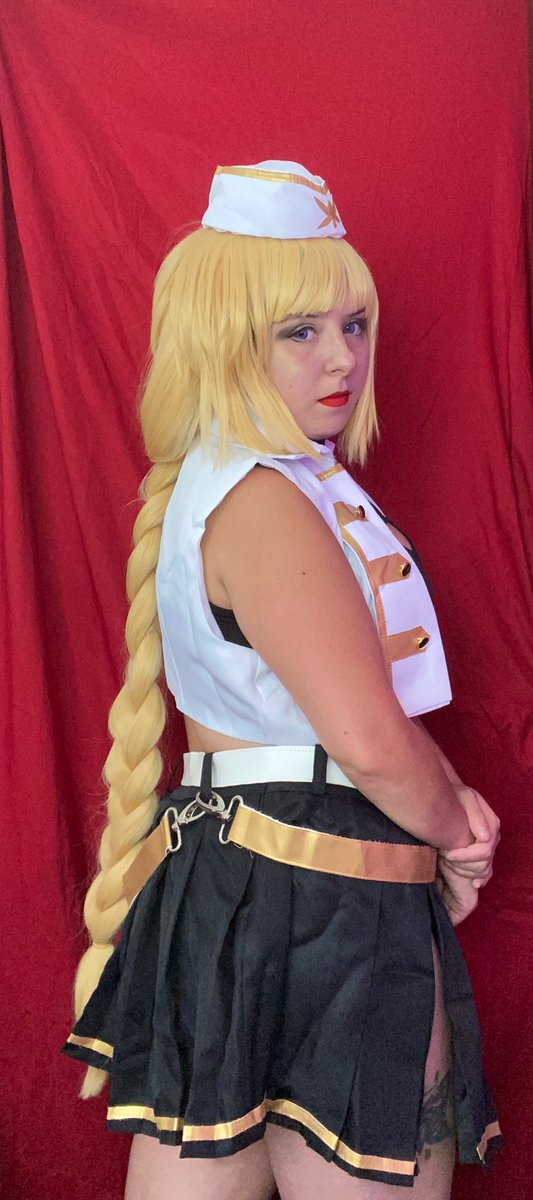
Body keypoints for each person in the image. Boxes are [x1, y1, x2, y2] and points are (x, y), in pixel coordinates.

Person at [63, 161, 502, 1199]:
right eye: (298, 331)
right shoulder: (262, 497)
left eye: (353, 324)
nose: (341, 356)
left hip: (230, 883)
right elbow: (367, 741)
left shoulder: (232, 481)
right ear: (223, 340)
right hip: (324, 888)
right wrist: (456, 833)